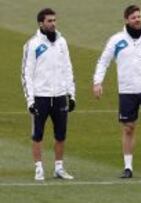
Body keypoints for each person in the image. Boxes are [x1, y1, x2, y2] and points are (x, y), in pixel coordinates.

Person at [93, 5, 141, 178]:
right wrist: (97, 82)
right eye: (134, 17)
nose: (138, 20)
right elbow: (103, 61)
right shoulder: (116, 40)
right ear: (127, 20)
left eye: (139, 17)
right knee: (129, 128)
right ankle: (128, 168)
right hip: (127, 91)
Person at [21, 8, 76, 181]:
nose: (53, 24)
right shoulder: (33, 44)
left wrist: (71, 93)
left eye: (54, 20)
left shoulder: (62, 42)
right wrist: (30, 100)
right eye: (49, 21)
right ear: (41, 23)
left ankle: (59, 168)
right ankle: (39, 168)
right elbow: (26, 74)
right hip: (40, 96)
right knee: (38, 134)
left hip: (60, 95)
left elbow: (68, 68)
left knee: (61, 134)